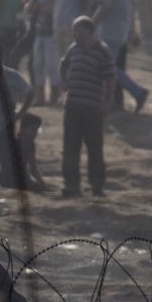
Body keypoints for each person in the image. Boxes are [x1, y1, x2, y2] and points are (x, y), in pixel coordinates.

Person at [58, 16, 114, 198]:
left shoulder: (103, 51)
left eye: (80, 31)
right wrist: (65, 85)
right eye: (75, 31)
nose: (76, 35)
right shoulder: (73, 49)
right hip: (73, 104)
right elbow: (63, 65)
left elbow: (110, 79)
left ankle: (97, 185)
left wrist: (106, 102)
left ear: (90, 32)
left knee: (94, 148)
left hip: (92, 107)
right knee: (70, 146)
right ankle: (71, 184)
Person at [93, 0, 148, 112]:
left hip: (109, 31)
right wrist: (132, 31)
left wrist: (90, 25)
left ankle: (137, 91)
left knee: (107, 68)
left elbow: (104, 7)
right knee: (110, 68)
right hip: (121, 30)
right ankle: (114, 100)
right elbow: (131, 9)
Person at [16, 113, 47, 191]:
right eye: (32, 129)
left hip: (4, 178)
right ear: (23, 128)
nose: (35, 133)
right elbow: (33, 168)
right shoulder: (29, 144)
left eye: (37, 130)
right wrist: (43, 184)